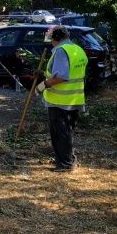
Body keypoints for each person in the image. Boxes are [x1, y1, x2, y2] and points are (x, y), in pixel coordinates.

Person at [35, 26, 87, 171]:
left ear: (56, 38)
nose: (51, 42)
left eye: (51, 39)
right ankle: (69, 160)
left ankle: (65, 164)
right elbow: (71, 72)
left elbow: (62, 76)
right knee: (67, 132)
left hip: (60, 101)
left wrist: (43, 85)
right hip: (75, 98)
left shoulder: (60, 51)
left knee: (60, 133)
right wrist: (43, 73)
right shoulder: (77, 50)